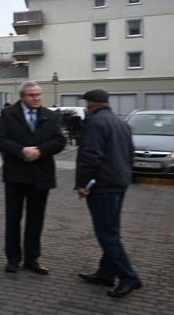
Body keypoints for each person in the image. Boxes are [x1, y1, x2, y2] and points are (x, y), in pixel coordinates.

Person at [75, 89, 142, 298]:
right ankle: (106, 273)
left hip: (103, 185)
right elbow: (130, 153)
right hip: (119, 182)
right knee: (111, 230)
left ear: (90, 104)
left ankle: (129, 276)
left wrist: (82, 183)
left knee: (107, 233)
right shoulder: (121, 123)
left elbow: (90, 155)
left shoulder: (95, 123)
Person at [0, 81, 66, 274]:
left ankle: (32, 259)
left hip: (40, 175)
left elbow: (60, 140)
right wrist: (21, 151)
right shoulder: (8, 115)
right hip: (16, 175)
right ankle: (13, 259)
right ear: (22, 97)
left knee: (36, 220)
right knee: (13, 219)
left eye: (38, 95)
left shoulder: (50, 115)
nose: (36, 98)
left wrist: (40, 151)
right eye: (31, 95)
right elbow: (1, 140)